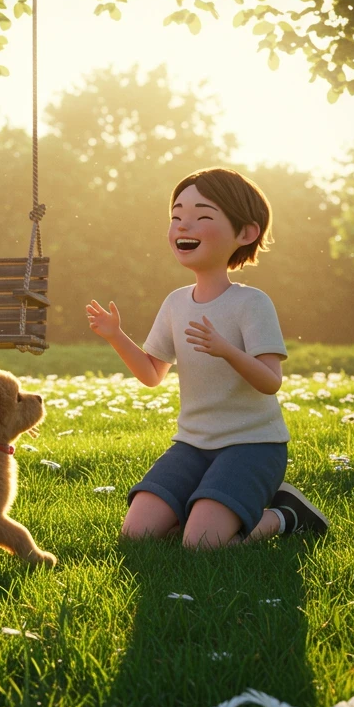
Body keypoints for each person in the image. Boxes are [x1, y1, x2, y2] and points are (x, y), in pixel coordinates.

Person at [86, 166, 328, 551]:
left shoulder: (251, 303)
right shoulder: (175, 303)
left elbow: (271, 381)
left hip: (253, 446)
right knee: (137, 536)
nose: (185, 226)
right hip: (193, 445)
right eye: (177, 217)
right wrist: (116, 336)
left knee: (201, 546)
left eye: (202, 216)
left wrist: (227, 351)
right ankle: (203, 505)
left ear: (245, 233)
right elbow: (151, 374)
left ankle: (285, 515)